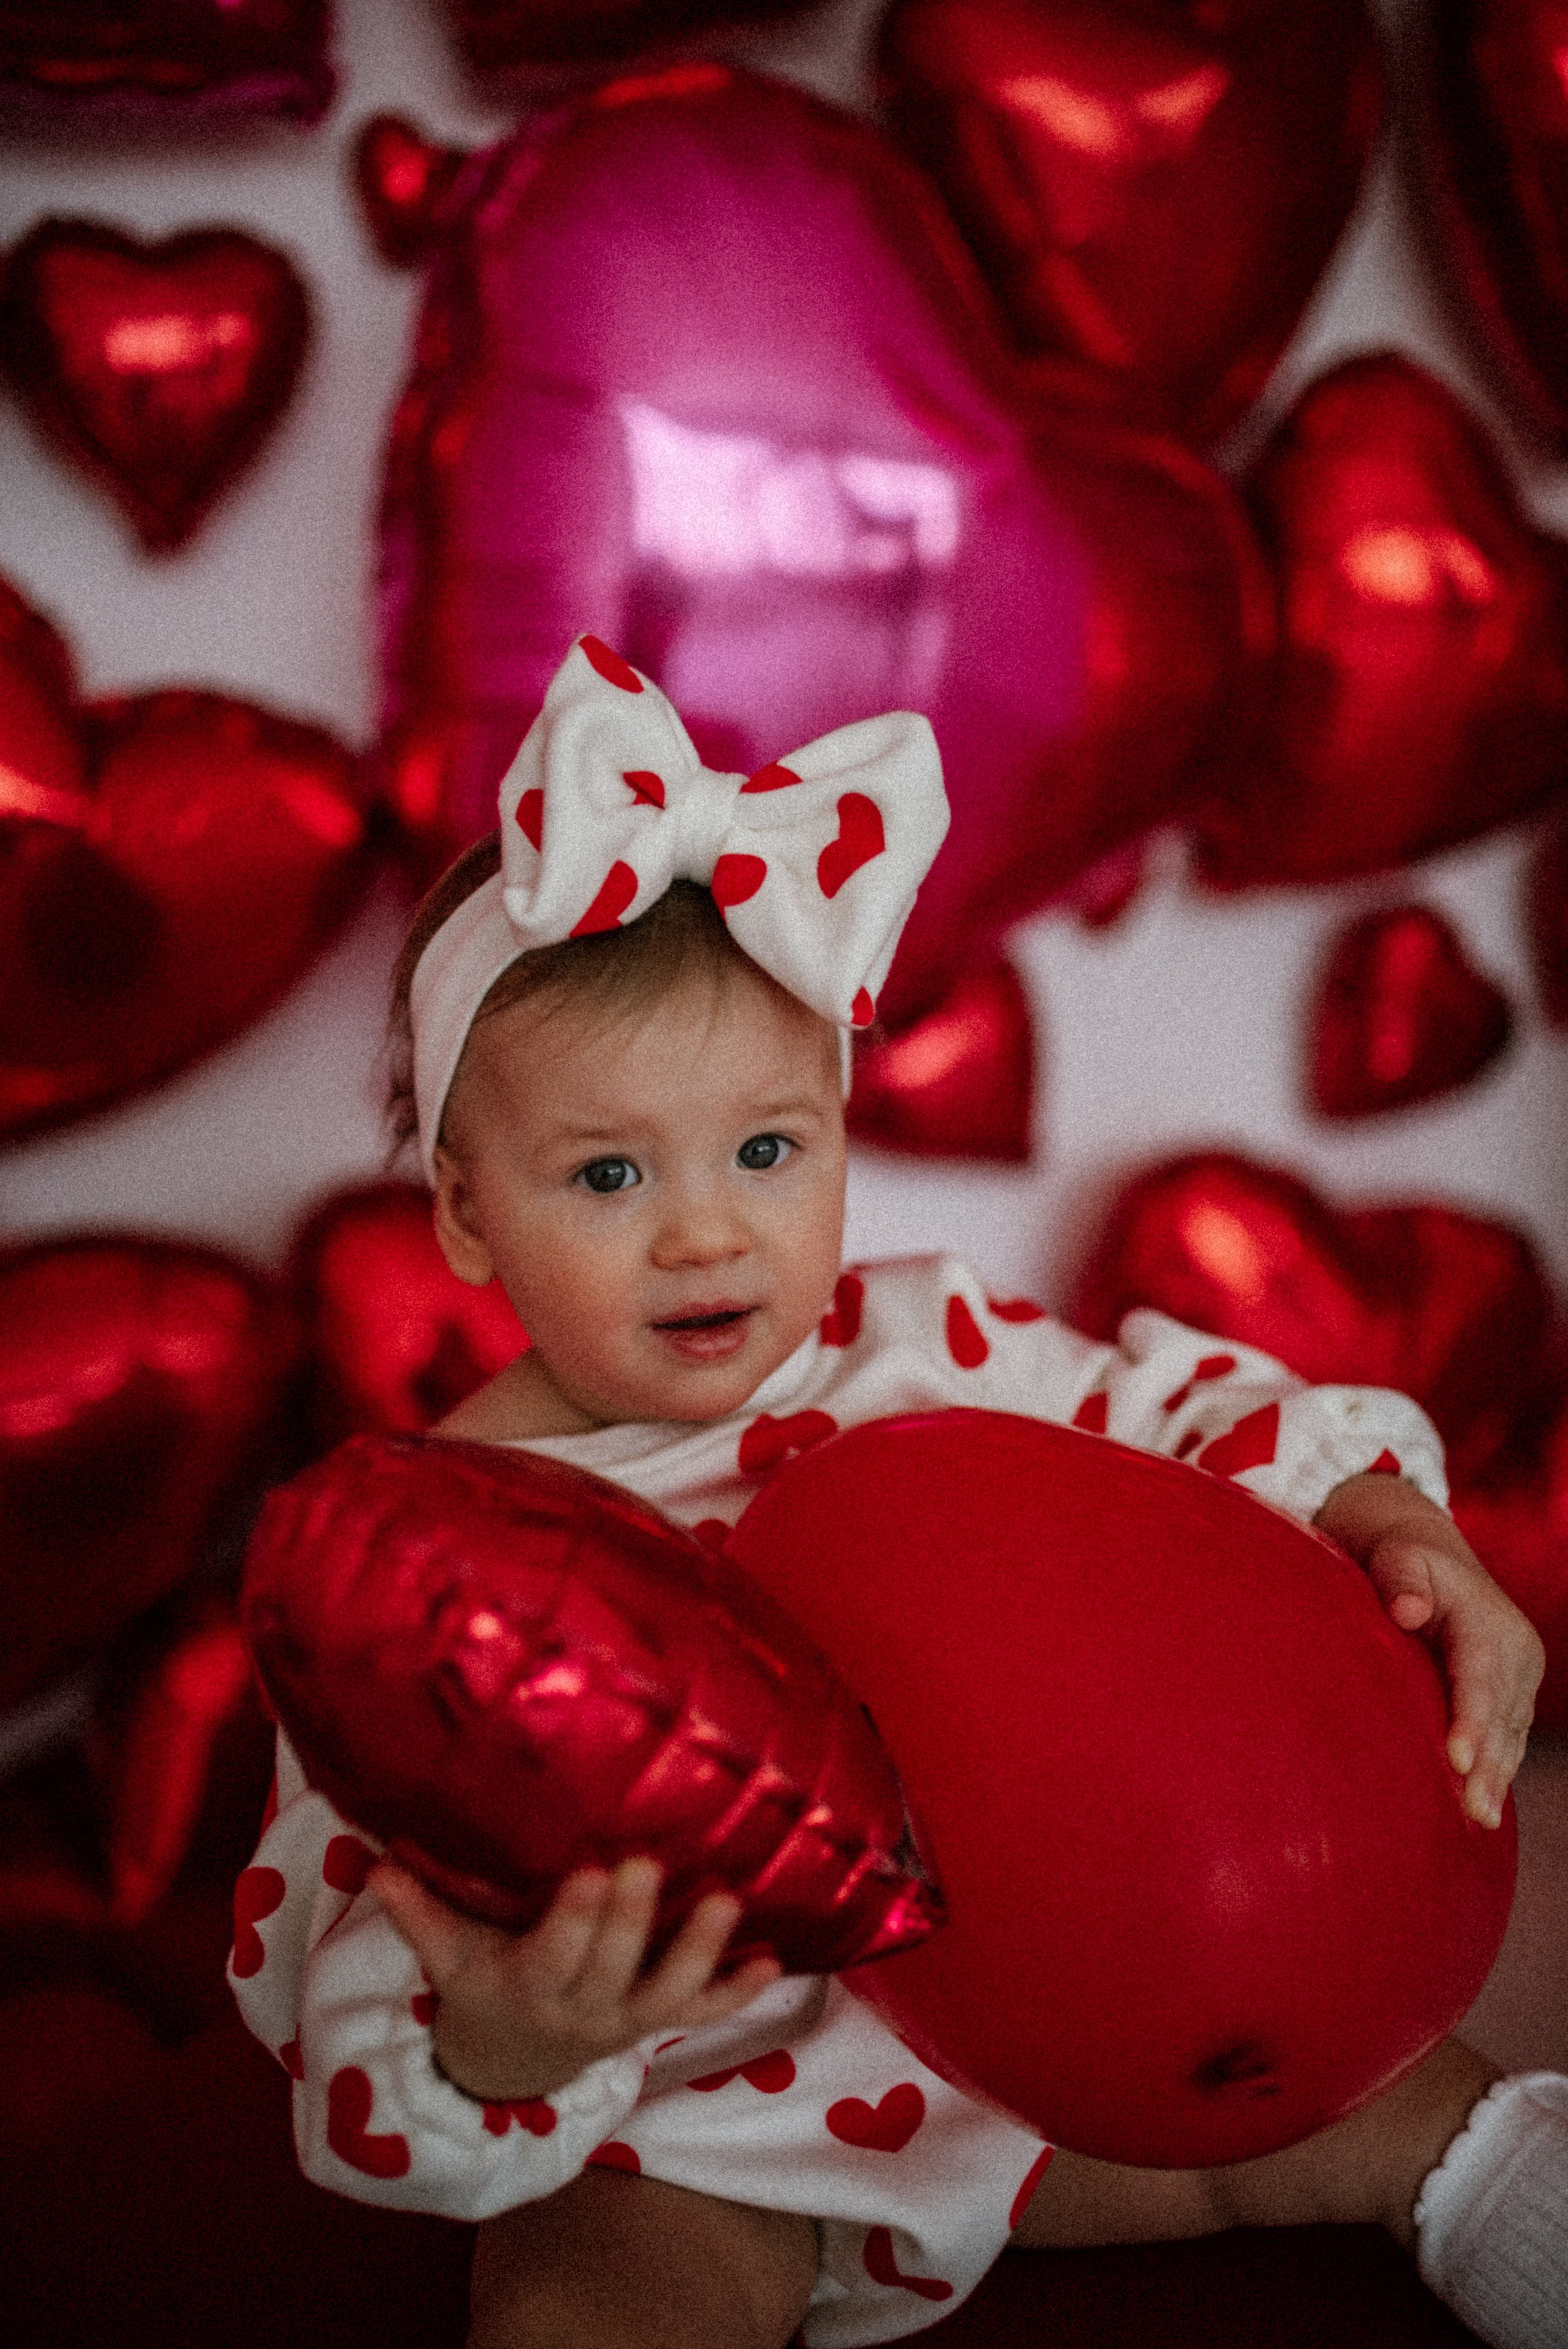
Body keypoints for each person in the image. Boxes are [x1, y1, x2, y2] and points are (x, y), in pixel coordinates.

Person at [232, 635, 1563, 2349]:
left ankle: (1500, 2177)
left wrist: (1394, 1527)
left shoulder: (924, 1346)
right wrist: (505, 2038)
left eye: (769, 1149)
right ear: (470, 1212)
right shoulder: (446, 1550)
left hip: (1032, 2046)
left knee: (1374, 2090)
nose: (706, 1229)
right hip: (683, 2126)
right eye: (609, 1171)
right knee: (580, 2304)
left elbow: (1195, 1422)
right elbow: (349, 1877)